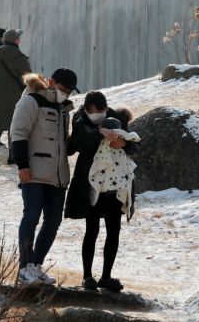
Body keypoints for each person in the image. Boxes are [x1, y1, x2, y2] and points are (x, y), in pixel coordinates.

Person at [11, 68, 79, 285]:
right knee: (31, 218)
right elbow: (18, 133)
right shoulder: (30, 101)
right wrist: (22, 165)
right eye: (63, 89)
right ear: (51, 82)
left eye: (69, 91)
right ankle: (24, 267)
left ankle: (36, 264)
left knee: (53, 222)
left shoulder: (64, 109)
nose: (65, 94)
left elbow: (63, 145)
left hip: (58, 176)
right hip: (34, 173)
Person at [64, 91, 137, 292]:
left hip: (115, 185)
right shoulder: (80, 120)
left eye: (102, 111)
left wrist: (124, 144)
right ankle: (87, 276)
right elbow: (80, 144)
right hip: (92, 185)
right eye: (95, 112)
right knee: (92, 230)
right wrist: (100, 132)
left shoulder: (116, 118)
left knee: (114, 231)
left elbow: (134, 146)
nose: (99, 115)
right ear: (88, 110)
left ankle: (106, 276)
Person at [0, 29, 32, 166]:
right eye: (18, 37)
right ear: (15, 40)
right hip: (16, 96)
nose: (20, 39)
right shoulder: (19, 57)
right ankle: (12, 156)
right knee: (13, 127)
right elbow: (28, 76)